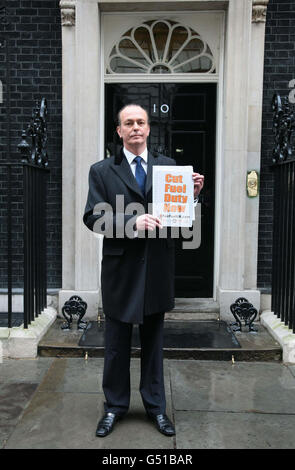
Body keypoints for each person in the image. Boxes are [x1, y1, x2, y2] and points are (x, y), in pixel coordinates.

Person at [83, 104, 204, 437]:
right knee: (116, 344)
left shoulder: (169, 168)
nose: (135, 127)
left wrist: (192, 197)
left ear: (149, 129)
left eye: (141, 122)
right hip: (121, 270)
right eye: (128, 123)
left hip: (156, 267)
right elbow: (93, 217)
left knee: (154, 343)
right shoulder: (102, 171)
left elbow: (182, 224)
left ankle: (156, 408)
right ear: (119, 131)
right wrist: (131, 221)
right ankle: (114, 408)